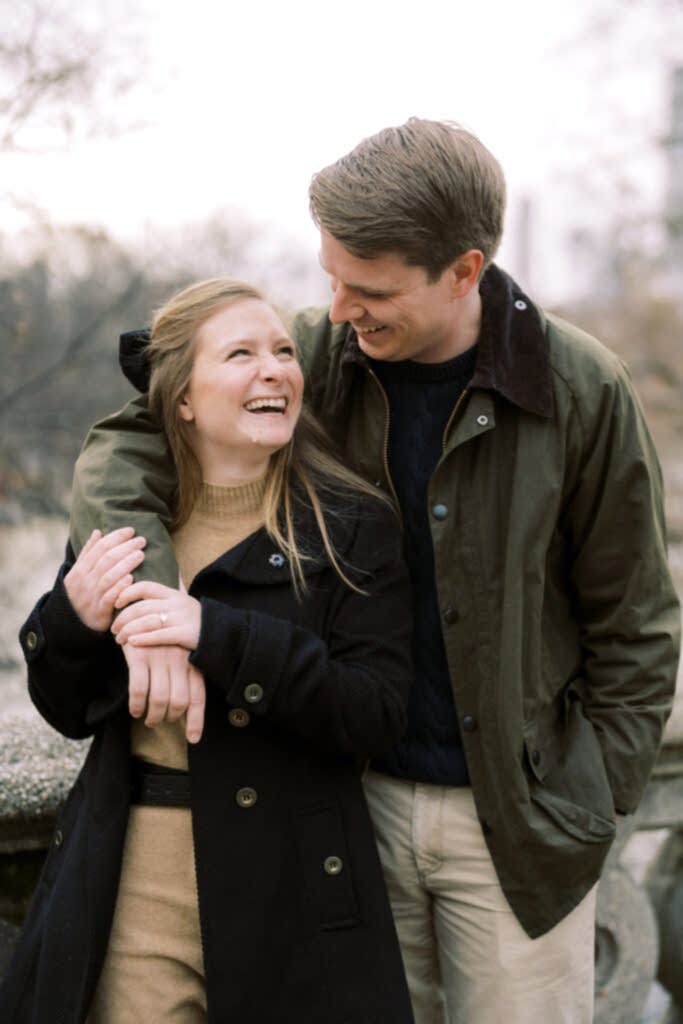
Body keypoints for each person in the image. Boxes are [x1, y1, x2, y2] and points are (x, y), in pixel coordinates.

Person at [64, 119, 679, 1024]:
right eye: (331, 277)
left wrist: (586, 804)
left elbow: (635, 625)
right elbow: (125, 444)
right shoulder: (310, 357)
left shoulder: (580, 388)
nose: (341, 306)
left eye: (371, 288)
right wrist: (149, 598)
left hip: (519, 832)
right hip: (344, 819)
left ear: (463, 271)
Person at [0, 279, 416, 1024]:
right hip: (135, 885)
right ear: (183, 399)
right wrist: (74, 617)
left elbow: (375, 712)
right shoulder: (127, 522)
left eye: (284, 352)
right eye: (241, 354)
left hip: (293, 885)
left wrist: (217, 635)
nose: (274, 370)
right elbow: (65, 708)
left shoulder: (351, 525)